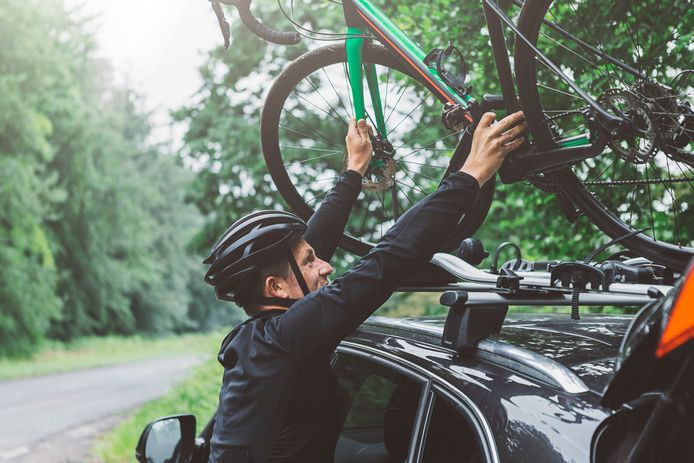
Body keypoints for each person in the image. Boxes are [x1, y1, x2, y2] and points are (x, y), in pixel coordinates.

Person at [204, 111, 527, 463]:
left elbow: (317, 240)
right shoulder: (285, 339)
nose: (326, 265)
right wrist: (472, 173)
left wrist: (354, 170)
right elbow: (385, 263)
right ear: (277, 288)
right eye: (312, 263)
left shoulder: (267, 340)